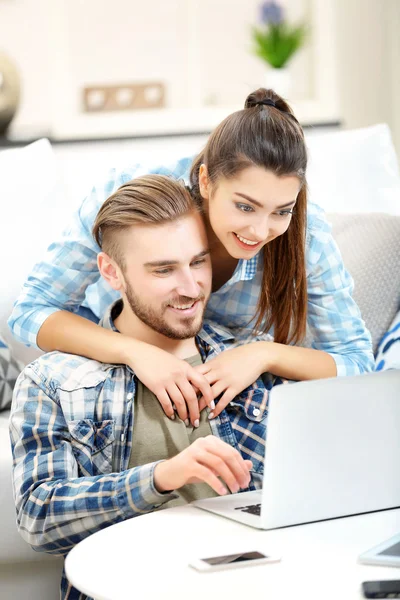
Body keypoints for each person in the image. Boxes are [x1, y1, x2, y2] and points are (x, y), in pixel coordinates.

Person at [8, 88, 374, 427]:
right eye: (245, 206)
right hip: (119, 364)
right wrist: (135, 353)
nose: (261, 231)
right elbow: (31, 310)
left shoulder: (305, 236)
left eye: (281, 210)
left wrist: (263, 354)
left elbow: (356, 363)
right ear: (205, 181)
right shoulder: (133, 198)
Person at [11, 175, 277, 600]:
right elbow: (39, 520)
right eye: (163, 270)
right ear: (111, 272)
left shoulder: (251, 360)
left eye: (198, 262)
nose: (190, 288)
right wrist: (162, 477)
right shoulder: (54, 382)